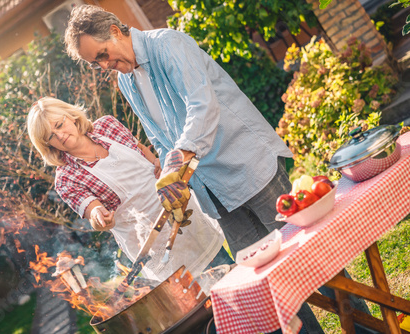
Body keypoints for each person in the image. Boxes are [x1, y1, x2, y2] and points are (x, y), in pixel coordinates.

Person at [63, 5, 378, 334]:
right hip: (213, 194)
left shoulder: (167, 44)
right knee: (269, 287)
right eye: (95, 62)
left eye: (102, 54)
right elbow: (158, 138)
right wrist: (172, 180)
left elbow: (201, 104)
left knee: (313, 264)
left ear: (115, 31)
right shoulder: (128, 83)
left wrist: (180, 156)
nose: (103, 65)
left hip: (248, 166)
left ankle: (371, 331)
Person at [26, 97, 227, 282]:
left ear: (70, 116)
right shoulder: (65, 178)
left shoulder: (107, 125)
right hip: (152, 243)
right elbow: (93, 211)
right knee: (194, 296)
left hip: (182, 212)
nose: (60, 136)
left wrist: (157, 162)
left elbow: (138, 148)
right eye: (51, 136)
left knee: (227, 270)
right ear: (47, 145)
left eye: (59, 125)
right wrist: (100, 216)